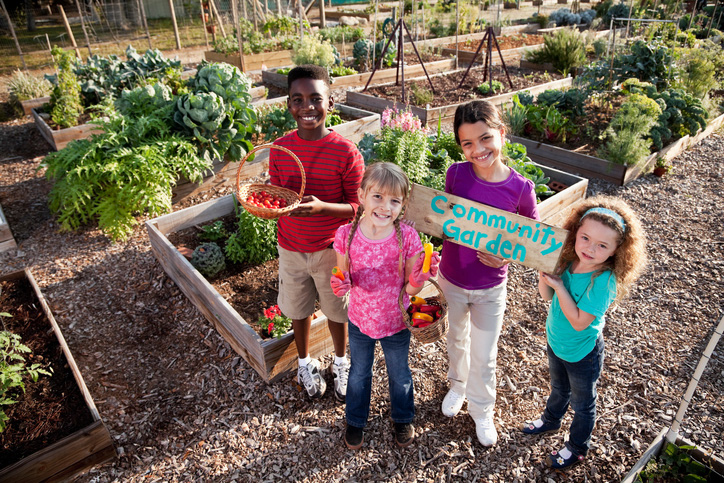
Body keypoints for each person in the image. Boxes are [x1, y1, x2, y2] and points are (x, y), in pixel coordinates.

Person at [438, 100, 540, 447]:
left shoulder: (521, 189)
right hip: (451, 279)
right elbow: (446, 218)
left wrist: (506, 258)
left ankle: (482, 409)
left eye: (485, 139)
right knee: (456, 340)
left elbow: (531, 239)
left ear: (501, 133)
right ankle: (457, 385)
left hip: (489, 288)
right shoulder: (456, 174)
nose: (478, 150)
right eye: (468, 143)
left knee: (484, 353)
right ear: (460, 146)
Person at [522, 196, 647, 469]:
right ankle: (551, 420)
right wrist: (545, 276)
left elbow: (579, 321)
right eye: (585, 238)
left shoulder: (603, 280)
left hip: (582, 352)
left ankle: (577, 447)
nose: (590, 249)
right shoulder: (569, 260)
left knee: (583, 404)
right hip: (556, 342)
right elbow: (545, 296)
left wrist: (560, 287)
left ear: (616, 250)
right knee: (558, 388)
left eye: (602, 245)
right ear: (575, 233)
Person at [269, 65, 365, 401]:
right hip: (291, 247)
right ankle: (305, 362)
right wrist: (271, 204)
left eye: (315, 98)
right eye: (298, 99)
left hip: (331, 250)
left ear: (330, 103)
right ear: (289, 106)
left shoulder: (345, 152)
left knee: (337, 310)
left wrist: (324, 207)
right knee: (297, 309)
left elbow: (358, 207)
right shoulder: (280, 149)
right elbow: (277, 197)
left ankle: (340, 361)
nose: (307, 106)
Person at [330, 162, 441, 450]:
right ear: (361, 196)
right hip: (359, 320)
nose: (384, 206)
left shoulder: (407, 237)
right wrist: (340, 284)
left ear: (403, 206)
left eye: (394, 200)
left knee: (399, 373)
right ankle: (355, 420)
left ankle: (403, 418)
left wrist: (419, 277)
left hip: (396, 322)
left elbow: (411, 288)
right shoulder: (347, 234)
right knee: (358, 374)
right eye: (377, 196)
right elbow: (343, 276)